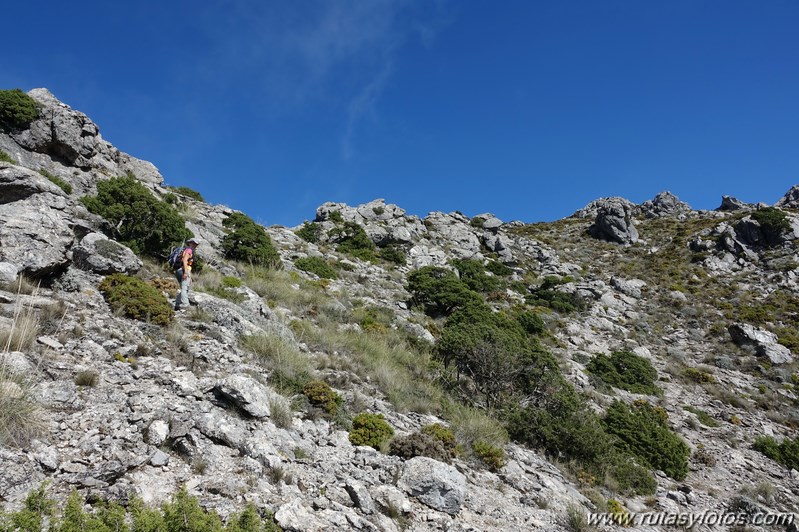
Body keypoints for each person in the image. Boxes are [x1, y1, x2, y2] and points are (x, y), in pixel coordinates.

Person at [174, 237, 200, 311]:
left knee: (184, 288)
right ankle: (186, 305)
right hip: (183, 270)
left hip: (179, 270)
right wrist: (185, 272)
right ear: (190, 243)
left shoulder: (186, 250)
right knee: (185, 289)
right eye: (193, 243)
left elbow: (188, 264)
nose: (195, 245)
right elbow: (185, 260)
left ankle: (177, 304)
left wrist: (190, 277)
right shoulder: (189, 250)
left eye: (196, 244)